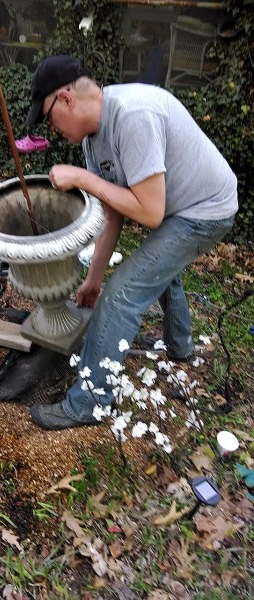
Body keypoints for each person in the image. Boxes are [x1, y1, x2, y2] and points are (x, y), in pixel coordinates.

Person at [25, 55, 238, 431]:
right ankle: (180, 347)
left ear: (66, 99)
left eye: (49, 117)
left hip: (206, 210)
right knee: (158, 271)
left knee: (122, 295)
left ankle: (89, 402)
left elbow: (151, 213)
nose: (52, 129)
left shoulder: (133, 115)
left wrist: (83, 179)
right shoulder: (94, 141)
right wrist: (92, 279)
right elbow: (114, 213)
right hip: (180, 206)